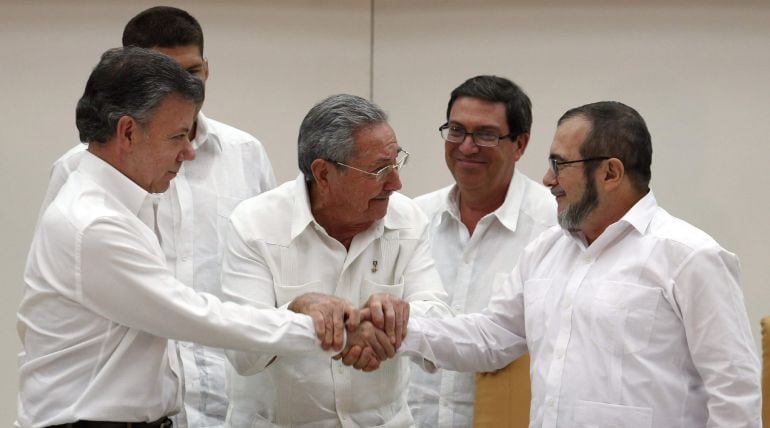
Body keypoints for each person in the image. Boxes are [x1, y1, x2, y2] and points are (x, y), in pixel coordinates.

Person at [17, 47, 351, 428]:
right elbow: (194, 315)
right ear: (127, 131)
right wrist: (323, 328)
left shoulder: (122, 203)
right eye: (178, 136)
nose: (189, 153)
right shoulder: (94, 222)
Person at [393, 101, 762, 426]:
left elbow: (734, 391)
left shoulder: (690, 257)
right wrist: (395, 329)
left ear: (610, 173)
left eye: (560, 164)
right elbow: (487, 338)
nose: (547, 178)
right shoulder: (545, 251)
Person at [36, 7, 277, 427]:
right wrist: (313, 329)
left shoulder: (246, 154)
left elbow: (270, 267)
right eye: (166, 73)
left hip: (234, 403)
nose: (186, 86)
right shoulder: (79, 170)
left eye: (194, 71)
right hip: (133, 408)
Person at [220, 94, 452, 427]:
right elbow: (243, 354)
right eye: (379, 170)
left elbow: (442, 326)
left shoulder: (408, 220)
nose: (396, 183)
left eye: (396, 162)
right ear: (324, 174)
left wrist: (393, 320)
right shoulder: (255, 225)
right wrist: (297, 312)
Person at [408, 75, 556, 427]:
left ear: (520, 145)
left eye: (486, 135)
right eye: (456, 130)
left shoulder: (554, 228)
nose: (467, 146)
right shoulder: (412, 220)